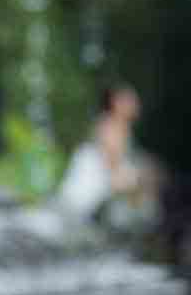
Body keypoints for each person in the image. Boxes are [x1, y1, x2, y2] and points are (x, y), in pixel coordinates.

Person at [57, 81, 156, 227]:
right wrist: (138, 183)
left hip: (100, 178)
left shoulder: (116, 126)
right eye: (130, 100)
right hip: (93, 180)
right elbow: (112, 169)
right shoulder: (111, 127)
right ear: (116, 103)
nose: (136, 103)